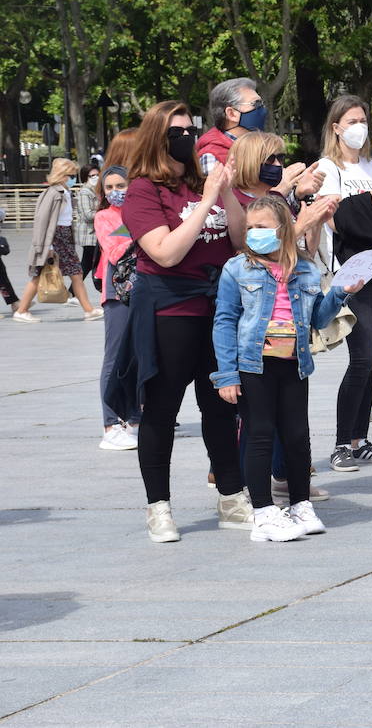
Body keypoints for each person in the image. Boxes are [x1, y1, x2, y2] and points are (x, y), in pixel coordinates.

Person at [108, 101, 248, 543]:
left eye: (191, 129)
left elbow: (242, 241)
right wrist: (207, 202)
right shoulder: (144, 190)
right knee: (162, 411)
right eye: (177, 131)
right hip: (170, 311)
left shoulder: (200, 181)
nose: (187, 138)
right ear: (157, 137)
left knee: (222, 407)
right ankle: (159, 507)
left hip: (217, 311)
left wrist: (222, 192)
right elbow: (165, 251)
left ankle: (231, 496)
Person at [212, 196, 359, 542]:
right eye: (249, 228)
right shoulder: (236, 269)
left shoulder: (305, 268)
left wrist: (340, 293)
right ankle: (263, 511)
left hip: (294, 364)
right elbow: (224, 322)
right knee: (260, 433)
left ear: (282, 230)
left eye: (261, 227)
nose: (253, 234)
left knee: (297, 435)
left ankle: (300, 503)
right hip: (253, 366)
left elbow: (318, 319)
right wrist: (227, 374)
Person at [315, 95, 372, 472]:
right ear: (336, 127)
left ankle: (359, 437)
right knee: (362, 357)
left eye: (363, 119)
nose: (359, 127)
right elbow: (336, 221)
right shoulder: (327, 168)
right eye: (351, 120)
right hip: (351, 271)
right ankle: (340, 442)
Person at [12, 158, 102, 322]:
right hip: (55, 239)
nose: (74, 177)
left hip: (64, 237)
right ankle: (22, 310)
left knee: (76, 273)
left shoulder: (64, 192)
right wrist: (48, 246)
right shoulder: (53, 193)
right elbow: (42, 220)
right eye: (71, 175)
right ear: (62, 175)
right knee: (40, 275)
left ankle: (88, 310)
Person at [94, 166, 141, 449]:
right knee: (114, 358)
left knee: (139, 357)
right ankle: (110, 423)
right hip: (117, 292)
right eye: (109, 187)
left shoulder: (136, 211)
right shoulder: (104, 217)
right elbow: (115, 250)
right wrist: (140, 228)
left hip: (144, 290)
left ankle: (135, 419)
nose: (115, 192)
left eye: (120, 185)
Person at [195, 77, 271, 173]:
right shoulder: (213, 157)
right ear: (231, 113)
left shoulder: (256, 149)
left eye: (262, 104)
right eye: (256, 104)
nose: (263, 110)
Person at [74, 165, 100, 290]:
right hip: (89, 234)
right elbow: (87, 215)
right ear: (85, 177)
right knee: (87, 264)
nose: (96, 177)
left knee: (88, 264)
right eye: (92, 176)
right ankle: (72, 293)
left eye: (97, 174)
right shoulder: (85, 192)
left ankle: (72, 293)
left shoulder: (96, 190)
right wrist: (104, 213)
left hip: (96, 234)